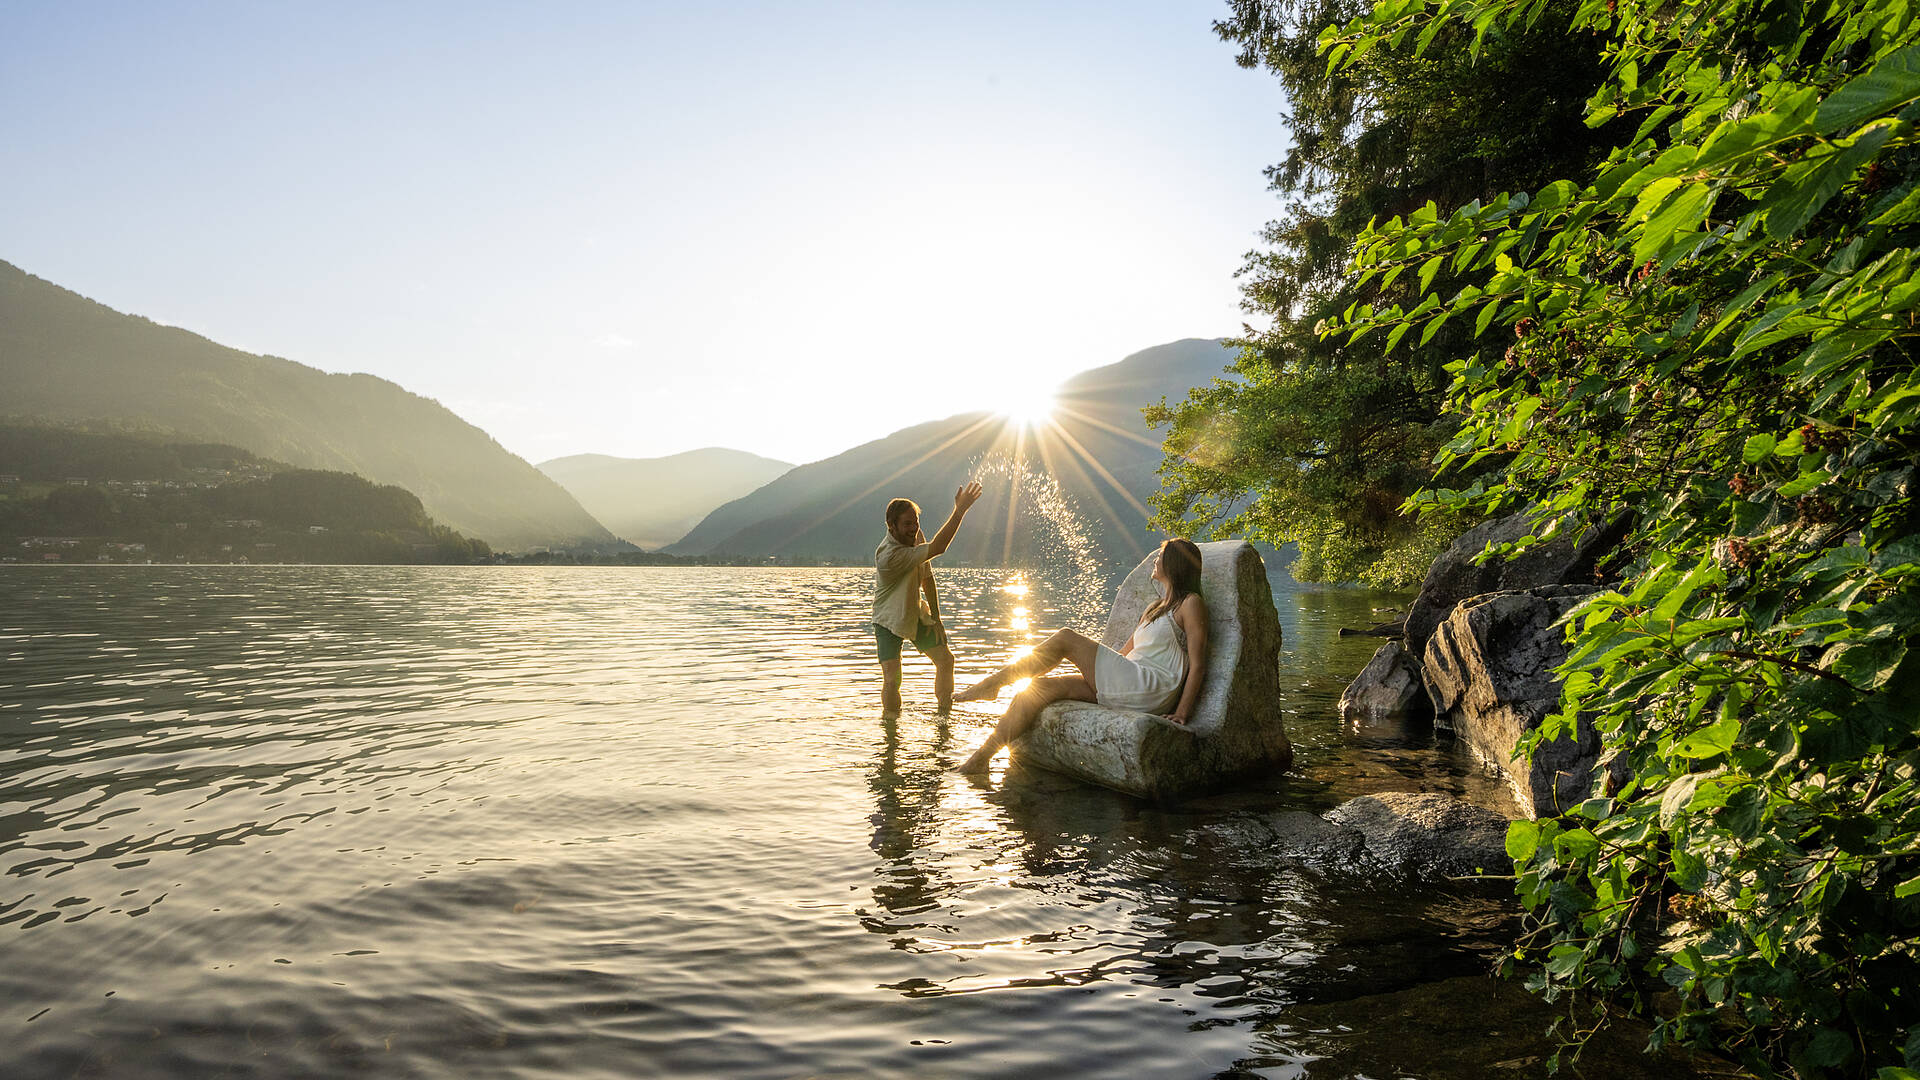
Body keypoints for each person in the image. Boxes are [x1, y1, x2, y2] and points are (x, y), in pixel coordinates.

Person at [951, 538, 1208, 773]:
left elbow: (1197, 664)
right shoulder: (1154, 608)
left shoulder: (1190, 603)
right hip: (1129, 681)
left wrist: (1182, 713)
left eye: (1161, 555)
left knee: (1065, 638)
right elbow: (1123, 654)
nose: (1155, 559)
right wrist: (1094, 668)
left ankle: (992, 684)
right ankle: (981, 758)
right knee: (1038, 688)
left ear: (1174, 563)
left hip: (1150, 687)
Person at [874, 481, 985, 716]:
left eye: (915, 522)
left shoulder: (914, 535)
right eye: (907, 524)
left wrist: (936, 618)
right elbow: (939, 547)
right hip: (887, 620)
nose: (913, 528)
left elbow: (927, 578)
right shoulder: (889, 556)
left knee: (946, 661)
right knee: (893, 678)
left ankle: (944, 718)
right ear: (891, 526)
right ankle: (891, 727)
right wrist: (959, 511)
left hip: (914, 613)